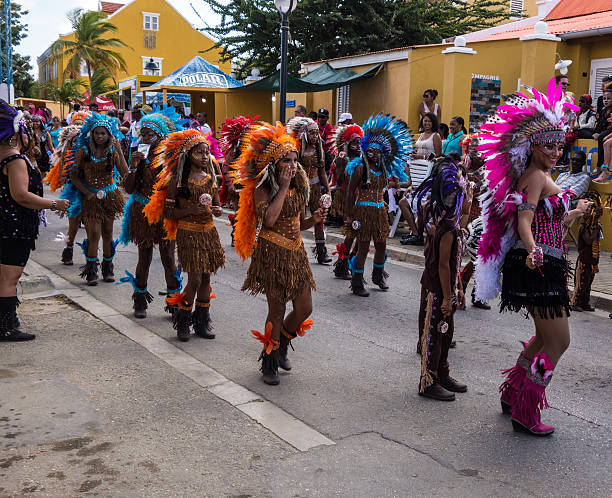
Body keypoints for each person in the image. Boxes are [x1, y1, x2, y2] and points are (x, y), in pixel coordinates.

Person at [474, 78, 592, 436]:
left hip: (543, 261)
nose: (555, 152)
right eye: (548, 146)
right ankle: (527, 410)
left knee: (543, 339)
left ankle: (513, 394)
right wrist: (532, 248)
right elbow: (524, 219)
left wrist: (576, 210)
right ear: (533, 145)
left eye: (559, 146)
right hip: (541, 265)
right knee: (559, 342)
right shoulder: (537, 175)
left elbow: (545, 215)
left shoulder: (538, 175)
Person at [234, 122, 326, 385]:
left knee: (304, 309)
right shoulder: (263, 188)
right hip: (272, 253)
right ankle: (270, 359)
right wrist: (283, 187)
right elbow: (270, 220)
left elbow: (299, 222)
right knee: (276, 310)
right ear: (274, 163)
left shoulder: (300, 185)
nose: (292, 165)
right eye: (286, 160)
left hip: (296, 253)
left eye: (295, 159)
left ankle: (283, 341)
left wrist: (315, 219)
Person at [145, 130, 225, 341]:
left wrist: (217, 209)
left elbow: (216, 204)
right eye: (200, 153)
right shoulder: (178, 181)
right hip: (188, 232)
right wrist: (190, 211)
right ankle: (182, 320)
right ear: (188, 155)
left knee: (206, 276)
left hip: (209, 232)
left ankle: (202, 322)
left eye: (207, 153)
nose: (205, 156)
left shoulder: (209, 178)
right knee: (195, 278)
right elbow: (169, 213)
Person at [0, 100, 69, 341]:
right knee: (10, 277)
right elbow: (21, 196)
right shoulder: (14, 160)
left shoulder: (8, 157)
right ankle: (6, 327)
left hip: (7, 225)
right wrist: (54, 203)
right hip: (13, 227)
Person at [119, 105, 184, 319]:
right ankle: (140, 300)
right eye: (144, 133)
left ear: (161, 136)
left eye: (151, 134)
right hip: (142, 212)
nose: (146, 137)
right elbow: (128, 188)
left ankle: (174, 301)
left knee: (168, 257)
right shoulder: (137, 155)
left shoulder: (170, 159)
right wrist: (134, 166)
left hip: (164, 213)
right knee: (144, 256)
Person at [415, 157, 469, 400]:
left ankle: (443, 373)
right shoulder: (446, 226)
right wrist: (448, 296)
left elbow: (453, 264)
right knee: (435, 334)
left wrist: (458, 288)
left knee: (446, 332)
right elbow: (444, 266)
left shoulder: (448, 219)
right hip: (437, 287)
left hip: (445, 285)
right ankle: (429, 380)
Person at [344, 114, 413, 297]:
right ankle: (357, 281)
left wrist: (397, 182)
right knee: (363, 246)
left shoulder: (383, 168)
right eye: (371, 151)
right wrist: (349, 215)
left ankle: (377, 275)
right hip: (363, 210)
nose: (375, 154)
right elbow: (351, 192)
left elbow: (389, 183)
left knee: (382, 245)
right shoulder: (360, 168)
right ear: (366, 150)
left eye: (378, 151)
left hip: (379, 210)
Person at [69, 113, 128, 285]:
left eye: (103, 133)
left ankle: (108, 268)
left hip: (110, 197)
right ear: (91, 134)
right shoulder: (83, 151)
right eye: (97, 133)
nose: (100, 136)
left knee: (108, 233)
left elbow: (124, 173)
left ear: (109, 135)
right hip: (90, 198)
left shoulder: (113, 149)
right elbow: (74, 177)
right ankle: (91, 268)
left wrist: (123, 155)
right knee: (93, 234)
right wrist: (87, 193)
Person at [287, 117, 332, 264]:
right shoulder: (299, 150)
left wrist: (328, 190)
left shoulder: (320, 151)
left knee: (319, 219)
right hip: (301, 188)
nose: (314, 136)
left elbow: (323, 172)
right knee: (299, 219)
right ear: (305, 134)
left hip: (316, 188)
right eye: (311, 133)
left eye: (316, 133)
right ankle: (295, 248)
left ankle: (321, 252)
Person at [400, 112, 443, 245]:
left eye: (430, 121)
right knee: (402, 203)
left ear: (433, 123)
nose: (427, 124)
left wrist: (422, 158)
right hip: (416, 175)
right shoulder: (420, 136)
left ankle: (417, 235)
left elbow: (439, 157)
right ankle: (416, 233)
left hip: (429, 177)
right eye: (425, 121)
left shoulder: (436, 136)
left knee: (420, 205)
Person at [44, 124, 83, 265]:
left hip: (91, 190)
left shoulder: (90, 147)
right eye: (74, 141)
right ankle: (68, 249)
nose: (77, 143)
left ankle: (91, 257)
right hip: (73, 190)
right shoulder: (68, 152)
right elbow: (62, 173)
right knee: (73, 225)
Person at [329, 123, 363, 279]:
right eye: (354, 142)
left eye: (359, 142)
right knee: (352, 232)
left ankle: (349, 264)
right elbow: (340, 179)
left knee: (360, 234)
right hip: (346, 198)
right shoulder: (342, 158)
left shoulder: (362, 159)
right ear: (347, 144)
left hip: (360, 199)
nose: (358, 145)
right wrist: (342, 159)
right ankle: (342, 266)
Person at [570, 193, 603, 312]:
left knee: (588, 284)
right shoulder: (583, 227)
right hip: (584, 259)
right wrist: (597, 229)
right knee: (581, 283)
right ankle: (575, 303)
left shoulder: (594, 227)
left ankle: (585, 303)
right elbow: (588, 240)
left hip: (592, 260)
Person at [316, 108, 334, 173]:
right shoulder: (314, 123)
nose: (320, 119)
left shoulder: (330, 128)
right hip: (314, 152)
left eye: (322, 117)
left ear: (327, 118)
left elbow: (331, 143)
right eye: (319, 117)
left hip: (324, 154)